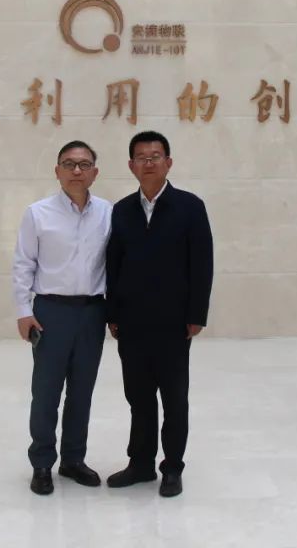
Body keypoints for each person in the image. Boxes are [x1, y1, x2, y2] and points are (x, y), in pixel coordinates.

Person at [105, 131, 214, 497]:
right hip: (132, 322)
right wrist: (112, 313)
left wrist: (196, 314)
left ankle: (172, 468)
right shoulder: (122, 210)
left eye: (155, 156)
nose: (148, 162)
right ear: (131, 165)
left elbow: (202, 264)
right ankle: (140, 464)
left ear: (168, 163)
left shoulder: (190, 207)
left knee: (174, 399)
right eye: (141, 157)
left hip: (173, 322)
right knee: (138, 398)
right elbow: (113, 264)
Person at [12, 140, 112, 496]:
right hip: (50, 312)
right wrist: (24, 311)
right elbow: (23, 264)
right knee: (46, 392)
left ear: (95, 172)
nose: (76, 170)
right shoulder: (37, 213)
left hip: (92, 311)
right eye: (68, 164)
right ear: (57, 171)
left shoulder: (108, 213)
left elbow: (115, 264)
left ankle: (73, 460)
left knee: (82, 392)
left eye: (84, 164)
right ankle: (42, 463)